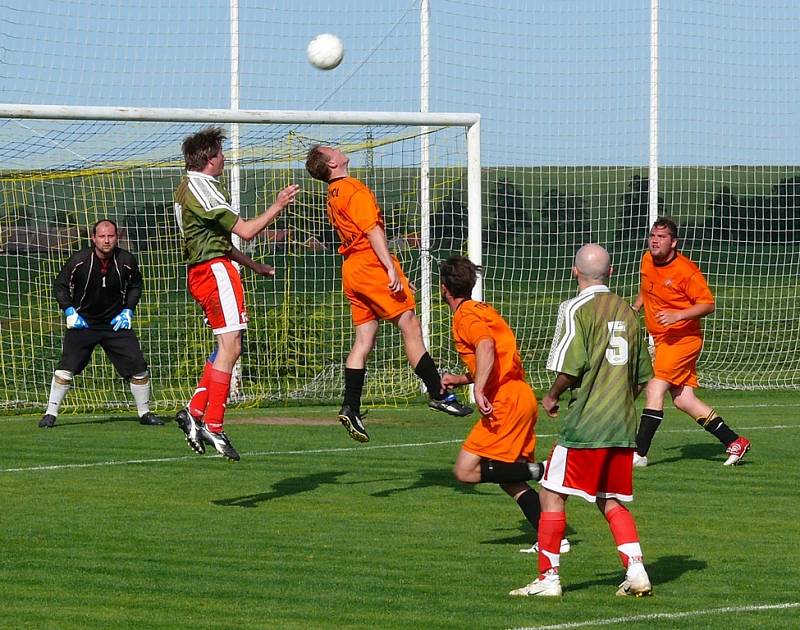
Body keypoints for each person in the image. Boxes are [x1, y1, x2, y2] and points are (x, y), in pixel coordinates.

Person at [510, 244, 653, 598]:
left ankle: (548, 578)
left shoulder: (576, 308)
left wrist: (553, 395)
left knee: (551, 492)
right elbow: (642, 376)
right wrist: (619, 400)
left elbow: (570, 367)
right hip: (621, 425)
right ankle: (636, 571)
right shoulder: (628, 312)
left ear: (575, 272)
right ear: (612, 271)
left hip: (586, 425)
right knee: (610, 498)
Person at [305, 145, 472, 443]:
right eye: (334, 149)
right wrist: (390, 269)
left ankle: (351, 406)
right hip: (371, 265)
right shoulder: (353, 189)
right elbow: (373, 231)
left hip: (352, 269)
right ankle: (438, 393)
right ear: (331, 162)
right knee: (410, 325)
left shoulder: (333, 195)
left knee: (364, 339)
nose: (341, 149)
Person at [174, 126, 300, 461]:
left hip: (206, 270)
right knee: (232, 347)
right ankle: (213, 424)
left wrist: (254, 266)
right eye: (220, 153)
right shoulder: (202, 189)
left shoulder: (189, 187)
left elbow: (220, 241)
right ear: (210, 159)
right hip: (214, 273)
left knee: (227, 347)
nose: (224, 158)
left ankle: (194, 412)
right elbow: (245, 230)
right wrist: (278, 206)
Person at [439, 257, 569, 556]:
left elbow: (485, 346)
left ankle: (547, 470)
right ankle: (554, 539)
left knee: (465, 471)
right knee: (510, 479)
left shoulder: (465, 317)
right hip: (520, 395)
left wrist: (480, 388)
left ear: (444, 289)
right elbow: (492, 357)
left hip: (506, 401)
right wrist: (462, 378)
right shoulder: (483, 309)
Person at [632, 217, 750, 467]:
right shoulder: (646, 259)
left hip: (683, 339)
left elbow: (708, 304)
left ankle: (639, 454)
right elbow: (646, 287)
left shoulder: (687, 271)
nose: (655, 240)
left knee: (654, 388)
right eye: (653, 235)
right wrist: (635, 307)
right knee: (684, 399)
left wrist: (678, 315)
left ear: (673, 242)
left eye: (661, 237)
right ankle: (734, 442)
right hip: (662, 339)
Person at [40, 219, 163, 428]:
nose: (107, 240)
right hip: (83, 324)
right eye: (102, 236)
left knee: (138, 367)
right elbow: (60, 286)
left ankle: (145, 413)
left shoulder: (127, 260)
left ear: (117, 237)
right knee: (65, 369)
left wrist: (128, 310)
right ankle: (50, 414)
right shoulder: (79, 260)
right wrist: (69, 311)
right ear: (93, 238)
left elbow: (135, 285)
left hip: (115, 324)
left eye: (111, 236)